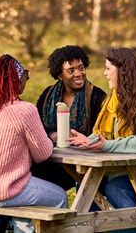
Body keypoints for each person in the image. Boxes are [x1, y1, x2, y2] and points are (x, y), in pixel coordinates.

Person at [0, 54, 68, 233]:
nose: (26, 79)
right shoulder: (24, 110)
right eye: (24, 75)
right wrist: (49, 138)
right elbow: (43, 154)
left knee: (26, 196)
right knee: (59, 196)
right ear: (16, 80)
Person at [68, 47, 136, 233]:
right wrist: (89, 141)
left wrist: (106, 146)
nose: (105, 73)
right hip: (119, 167)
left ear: (122, 71)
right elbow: (107, 134)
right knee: (85, 183)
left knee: (116, 189)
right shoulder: (115, 99)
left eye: (108, 68)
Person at [34, 45, 106, 190]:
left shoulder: (97, 96)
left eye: (81, 68)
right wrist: (52, 134)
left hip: (86, 161)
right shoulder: (48, 95)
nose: (78, 73)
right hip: (53, 160)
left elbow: (102, 131)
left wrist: (81, 139)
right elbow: (36, 124)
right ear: (60, 74)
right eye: (70, 71)